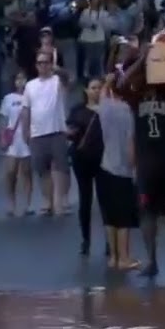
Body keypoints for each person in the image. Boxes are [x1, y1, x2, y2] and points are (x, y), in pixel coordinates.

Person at [121, 48, 165, 277]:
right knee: (147, 211)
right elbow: (121, 84)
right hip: (147, 163)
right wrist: (143, 58)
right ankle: (152, 260)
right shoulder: (136, 95)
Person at [92, 75, 141, 269]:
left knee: (109, 217)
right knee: (124, 219)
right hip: (122, 171)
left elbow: (103, 93)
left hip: (105, 166)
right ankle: (125, 258)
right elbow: (130, 145)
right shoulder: (129, 112)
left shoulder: (105, 107)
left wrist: (109, 80)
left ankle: (113, 257)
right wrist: (134, 167)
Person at [21, 49, 72, 216]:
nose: (43, 65)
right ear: (36, 66)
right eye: (40, 63)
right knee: (42, 170)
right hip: (37, 133)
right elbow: (26, 109)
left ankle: (60, 201)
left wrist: (57, 69)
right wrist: (25, 130)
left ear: (50, 64)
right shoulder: (30, 85)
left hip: (57, 131)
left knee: (61, 168)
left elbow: (68, 78)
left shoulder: (57, 80)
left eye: (46, 62)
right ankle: (47, 201)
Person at [67, 77, 104, 255]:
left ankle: (110, 241)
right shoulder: (78, 110)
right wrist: (71, 133)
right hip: (82, 158)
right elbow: (71, 131)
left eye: (99, 88)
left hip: (104, 158)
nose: (96, 91)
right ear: (86, 91)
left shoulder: (108, 110)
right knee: (85, 199)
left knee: (106, 200)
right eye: (93, 87)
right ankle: (86, 239)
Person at [0, 71, 33, 216]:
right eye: (18, 78)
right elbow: (3, 119)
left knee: (26, 172)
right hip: (12, 138)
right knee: (10, 172)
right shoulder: (8, 98)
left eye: (23, 78)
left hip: (27, 137)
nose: (20, 81)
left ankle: (27, 204)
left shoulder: (31, 96)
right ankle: (11, 203)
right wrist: (2, 137)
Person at [79, 0, 110, 81]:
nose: (95, 2)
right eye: (93, 0)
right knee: (88, 57)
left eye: (96, 0)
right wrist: (89, 24)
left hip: (99, 38)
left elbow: (106, 26)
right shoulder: (85, 12)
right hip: (87, 38)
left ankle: (101, 73)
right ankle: (86, 73)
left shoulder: (104, 13)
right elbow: (81, 23)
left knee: (100, 57)